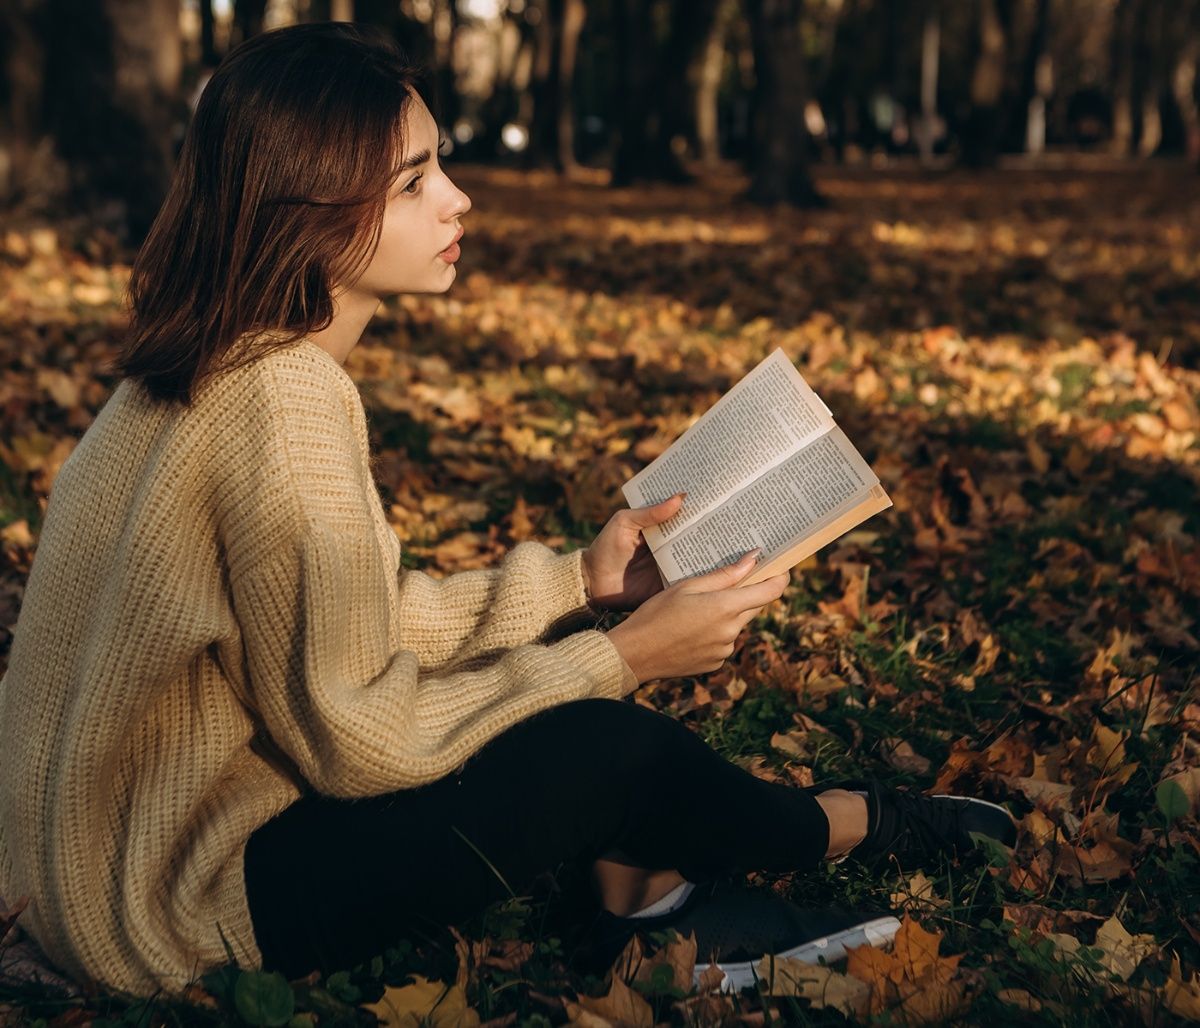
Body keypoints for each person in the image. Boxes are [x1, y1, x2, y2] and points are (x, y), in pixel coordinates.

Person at [0, 22, 1016, 1002]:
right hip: (168, 904)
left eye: (441, 165)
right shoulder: (286, 399)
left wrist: (578, 582)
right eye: (415, 182)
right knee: (596, 741)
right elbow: (354, 739)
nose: (460, 199)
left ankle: (647, 906)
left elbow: (337, 626)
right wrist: (624, 657)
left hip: (93, 865)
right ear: (306, 204)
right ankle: (841, 825)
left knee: (567, 699)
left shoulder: (193, 369)